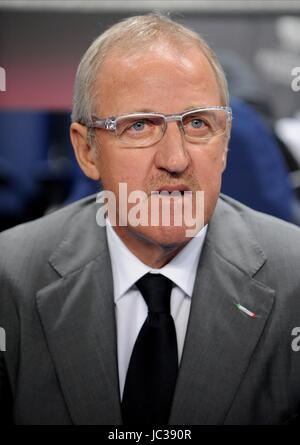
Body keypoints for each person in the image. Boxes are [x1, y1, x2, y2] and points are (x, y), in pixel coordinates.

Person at [1, 13, 300, 426]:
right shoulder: (9, 277)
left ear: (226, 141)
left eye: (198, 124)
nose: (175, 160)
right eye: (139, 126)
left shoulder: (295, 281)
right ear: (87, 151)